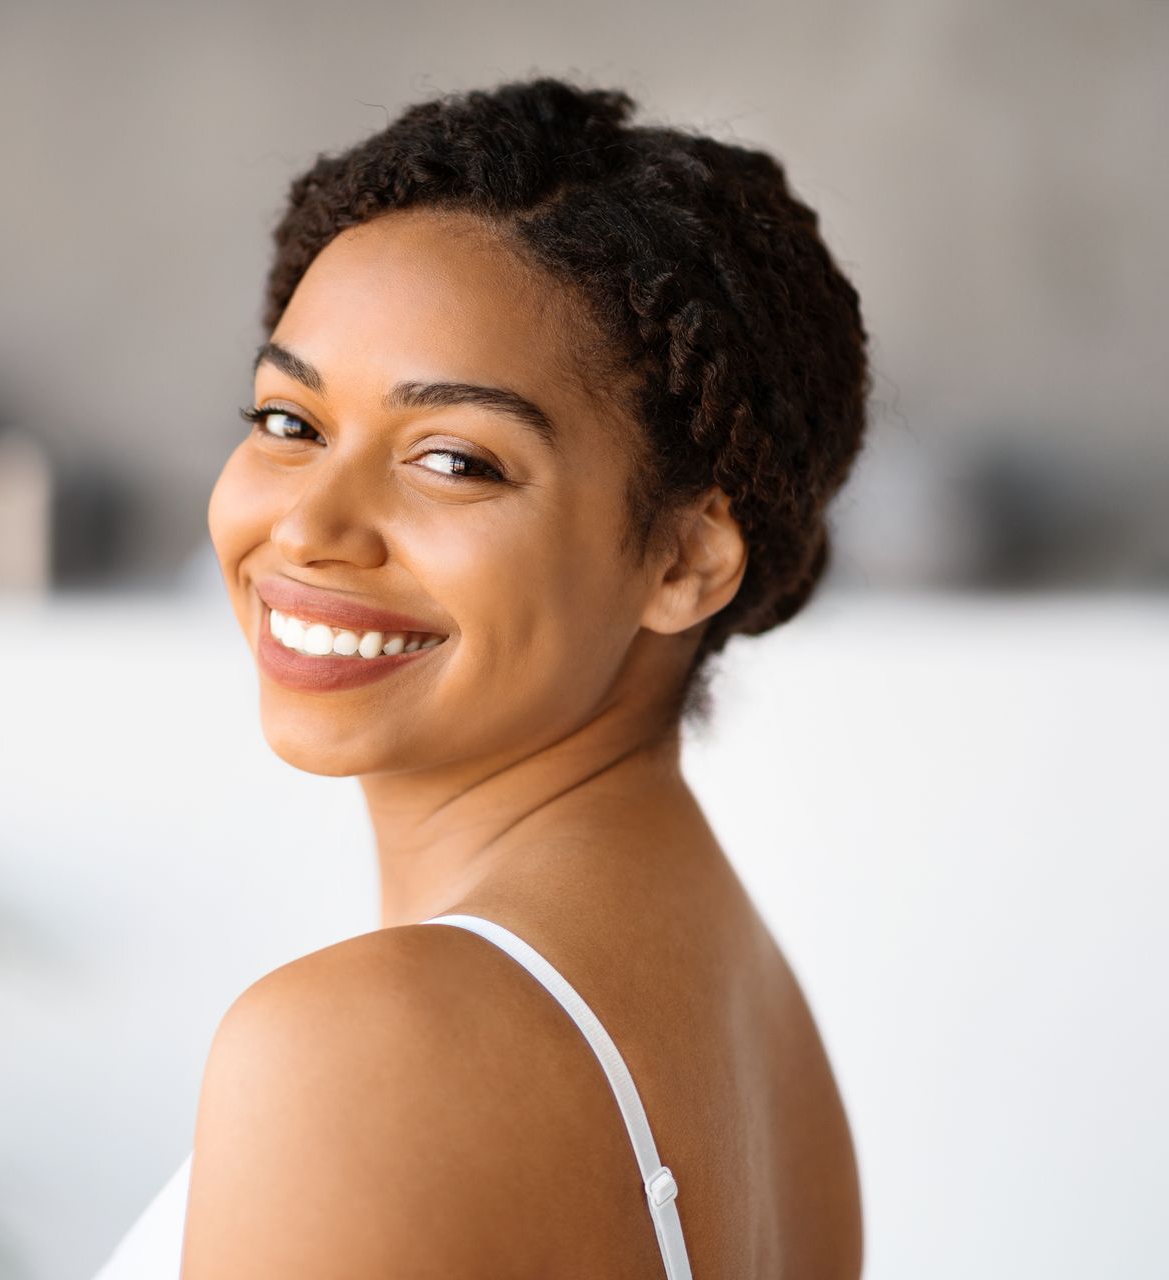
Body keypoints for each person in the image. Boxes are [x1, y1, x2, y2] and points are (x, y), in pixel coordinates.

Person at [97, 74, 868, 1279]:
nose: (312, 526)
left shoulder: (362, 1044)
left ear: (686, 556)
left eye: (453, 458)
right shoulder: (752, 1012)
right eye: (290, 422)